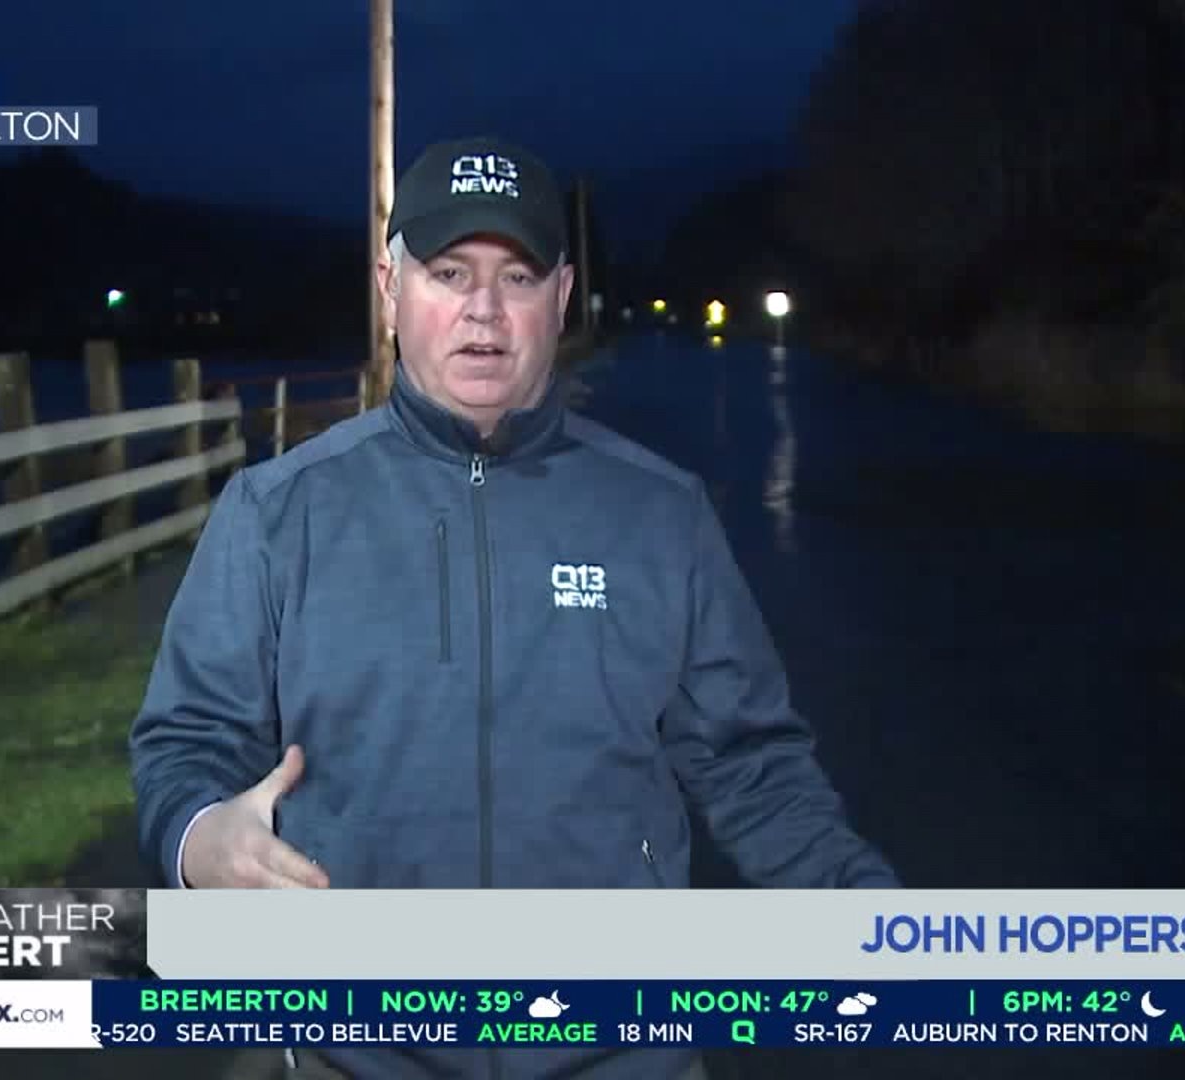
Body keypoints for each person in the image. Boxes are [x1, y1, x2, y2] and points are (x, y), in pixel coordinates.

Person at [129, 136, 898, 1080]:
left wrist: (873, 924)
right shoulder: (275, 512)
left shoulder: (661, 514)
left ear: (562, 296)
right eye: (449, 272)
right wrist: (199, 839)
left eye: (518, 276)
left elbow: (752, 765)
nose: (484, 310)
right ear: (391, 287)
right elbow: (185, 743)